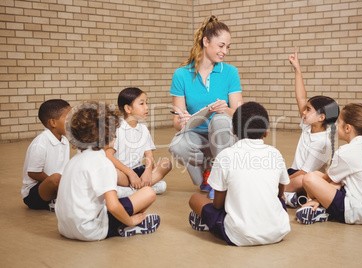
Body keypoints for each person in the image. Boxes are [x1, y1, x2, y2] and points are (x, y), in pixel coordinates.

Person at [188, 102, 291, 246]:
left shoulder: (225, 156)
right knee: (277, 202)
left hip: (240, 236)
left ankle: (208, 222)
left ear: (233, 130)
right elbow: (280, 194)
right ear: (266, 131)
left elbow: (218, 205)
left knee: (195, 199)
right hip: (278, 232)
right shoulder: (275, 154)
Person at [55, 101, 160, 241]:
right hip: (90, 230)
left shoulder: (74, 160)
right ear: (108, 134)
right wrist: (131, 220)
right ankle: (126, 226)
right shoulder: (103, 162)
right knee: (148, 193)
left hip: (65, 228)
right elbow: (113, 206)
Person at [168, 15, 244, 198]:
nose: (225, 51)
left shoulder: (230, 72)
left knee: (219, 120)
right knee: (177, 144)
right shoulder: (181, 74)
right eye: (221, 46)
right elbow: (177, 123)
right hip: (198, 137)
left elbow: (240, 115)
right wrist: (182, 120)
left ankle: (221, 179)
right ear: (205, 42)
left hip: (224, 136)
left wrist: (223, 109)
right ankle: (207, 173)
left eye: (228, 47)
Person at [295, 103, 362, 225]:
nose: (336, 126)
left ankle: (321, 208)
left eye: (339, 123)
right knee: (324, 176)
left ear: (348, 128)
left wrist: (315, 196)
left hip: (353, 211)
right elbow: (333, 181)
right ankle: (320, 205)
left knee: (309, 178)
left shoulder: (346, 152)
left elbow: (324, 181)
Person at [283, 47, 339, 208]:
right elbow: (300, 97)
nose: (304, 112)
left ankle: (281, 193)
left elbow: (305, 174)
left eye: (308, 110)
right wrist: (297, 69)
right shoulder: (308, 126)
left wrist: (281, 183)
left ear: (322, 117)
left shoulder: (322, 142)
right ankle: (289, 196)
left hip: (306, 178)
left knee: (299, 180)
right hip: (295, 172)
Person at [105, 87, 172, 197]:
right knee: (112, 174)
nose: (147, 107)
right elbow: (108, 156)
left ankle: (132, 190)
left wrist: (147, 172)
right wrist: (130, 174)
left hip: (138, 171)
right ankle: (146, 188)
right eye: (141, 104)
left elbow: (149, 155)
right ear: (128, 108)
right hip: (123, 173)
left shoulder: (143, 129)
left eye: (147, 103)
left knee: (166, 163)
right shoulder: (117, 128)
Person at [21, 99, 71, 211]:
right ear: (53, 123)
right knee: (56, 178)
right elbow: (33, 172)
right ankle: (58, 202)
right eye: (68, 118)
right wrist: (57, 183)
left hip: (57, 186)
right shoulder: (40, 143)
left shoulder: (64, 141)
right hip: (34, 194)